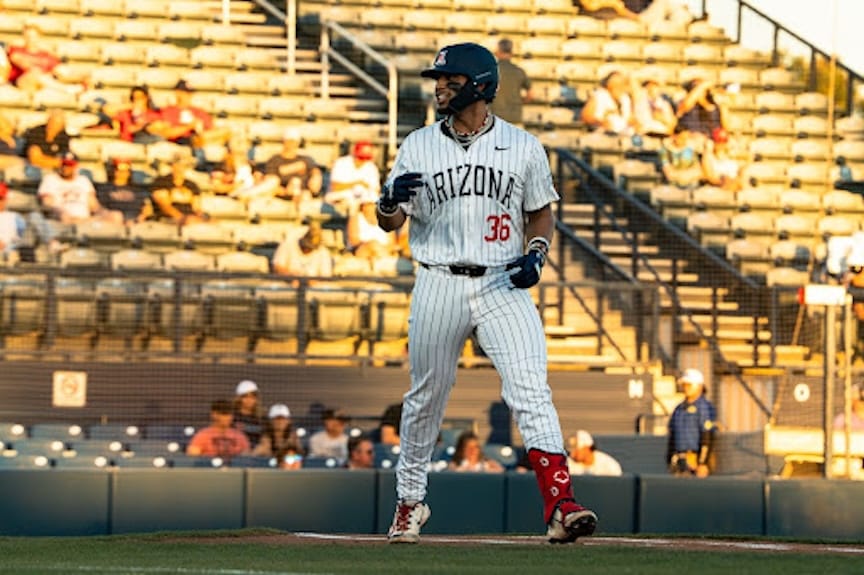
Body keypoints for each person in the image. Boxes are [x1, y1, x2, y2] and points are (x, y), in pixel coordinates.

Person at [376, 42, 597, 544]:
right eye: (439, 79)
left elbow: (541, 211)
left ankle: (561, 503)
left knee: (530, 389)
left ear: (478, 85)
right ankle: (410, 502)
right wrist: (387, 202)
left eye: (449, 79)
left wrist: (537, 251)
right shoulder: (418, 144)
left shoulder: (523, 146)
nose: (439, 87)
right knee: (427, 396)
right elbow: (390, 221)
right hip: (438, 278)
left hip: (501, 279)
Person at [37, 152, 122, 225]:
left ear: (75, 166)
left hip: (86, 219)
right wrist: (61, 213)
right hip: (61, 219)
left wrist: (105, 213)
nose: (66, 168)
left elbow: (93, 205)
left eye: (69, 165)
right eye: (64, 164)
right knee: (65, 217)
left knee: (116, 216)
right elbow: (47, 204)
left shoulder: (83, 180)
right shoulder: (50, 179)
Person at [6, 24, 86, 95]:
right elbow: (19, 61)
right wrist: (40, 71)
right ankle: (66, 89)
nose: (30, 39)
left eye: (33, 36)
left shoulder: (46, 55)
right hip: (21, 81)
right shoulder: (16, 50)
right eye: (27, 36)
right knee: (35, 73)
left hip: (42, 82)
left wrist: (81, 77)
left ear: (39, 37)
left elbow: (59, 70)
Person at [666, 368, 717, 478]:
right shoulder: (679, 408)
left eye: (689, 385)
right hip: (679, 460)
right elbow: (672, 434)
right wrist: (670, 457)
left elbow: (707, 435)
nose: (686, 388)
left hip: (695, 460)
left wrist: (703, 462)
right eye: (684, 385)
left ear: (699, 386)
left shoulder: (704, 407)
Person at [159, 80, 231, 153]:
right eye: (185, 92)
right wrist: (189, 126)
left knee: (225, 132)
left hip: (202, 138)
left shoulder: (198, 111)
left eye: (189, 93)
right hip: (180, 140)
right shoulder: (168, 111)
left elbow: (211, 129)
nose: (188, 96)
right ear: (177, 93)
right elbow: (167, 133)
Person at [346, 191, 402, 263]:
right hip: (361, 250)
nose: (371, 207)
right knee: (373, 245)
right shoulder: (356, 218)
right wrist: (371, 245)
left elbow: (391, 243)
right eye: (368, 204)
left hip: (382, 251)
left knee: (377, 248)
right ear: (362, 206)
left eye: (373, 204)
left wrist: (379, 247)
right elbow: (354, 241)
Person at [326, 140, 380, 214]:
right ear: (355, 153)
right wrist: (357, 183)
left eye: (366, 158)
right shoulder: (341, 163)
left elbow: (376, 190)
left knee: (372, 204)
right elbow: (335, 187)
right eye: (361, 157)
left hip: (363, 200)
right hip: (340, 198)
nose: (363, 160)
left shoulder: (371, 167)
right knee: (351, 204)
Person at [149, 154, 205, 225]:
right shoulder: (161, 182)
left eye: (183, 165)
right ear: (172, 166)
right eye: (177, 165)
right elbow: (164, 206)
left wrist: (200, 217)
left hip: (190, 219)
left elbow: (196, 207)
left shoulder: (192, 185)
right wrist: (182, 218)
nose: (179, 168)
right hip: (167, 219)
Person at [186, 399, 251, 459]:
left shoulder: (240, 436)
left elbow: (246, 458)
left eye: (230, 414)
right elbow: (192, 457)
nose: (228, 417)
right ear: (214, 415)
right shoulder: (203, 435)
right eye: (224, 414)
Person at [489, 39, 531, 126]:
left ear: (498, 52)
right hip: (514, 118)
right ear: (511, 53)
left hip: (495, 118)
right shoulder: (519, 71)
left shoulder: (490, 71)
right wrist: (519, 102)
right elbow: (530, 95)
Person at [96, 158, 152, 223]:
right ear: (114, 171)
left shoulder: (138, 190)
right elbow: (100, 209)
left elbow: (147, 208)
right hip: (112, 222)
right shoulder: (104, 189)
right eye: (119, 170)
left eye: (126, 171)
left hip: (135, 223)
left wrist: (139, 219)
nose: (122, 173)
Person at [580, 71, 637, 135]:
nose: (620, 87)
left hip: (624, 134)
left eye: (622, 84)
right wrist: (601, 123)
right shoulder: (599, 95)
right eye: (616, 85)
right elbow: (586, 117)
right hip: (602, 134)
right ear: (608, 85)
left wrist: (635, 123)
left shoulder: (625, 98)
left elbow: (630, 119)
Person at [701, 127, 744, 192]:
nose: (721, 145)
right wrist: (723, 180)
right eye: (719, 141)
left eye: (724, 141)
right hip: (718, 189)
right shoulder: (709, 157)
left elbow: (740, 172)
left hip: (734, 188)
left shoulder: (731, 155)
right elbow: (709, 176)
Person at [232, 379, 265, 448]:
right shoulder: (232, 417)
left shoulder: (262, 418)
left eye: (252, 396)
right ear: (239, 398)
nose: (249, 400)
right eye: (245, 396)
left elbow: (266, 441)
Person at [0, 182, 26, 257]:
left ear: (6, 199)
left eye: (1, 198)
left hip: (11, 249)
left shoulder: (15, 217)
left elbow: (24, 237)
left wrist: (8, 245)